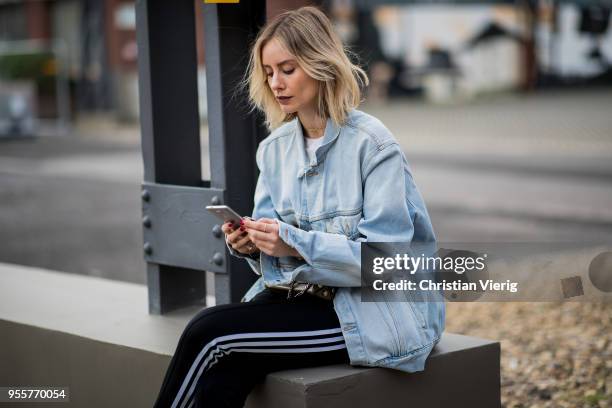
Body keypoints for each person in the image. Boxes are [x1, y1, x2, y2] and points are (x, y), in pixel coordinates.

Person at [153, 6, 444, 408]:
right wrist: (253, 245)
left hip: (371, 313)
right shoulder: (273, 151)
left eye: (288, 69)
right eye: (269, 72)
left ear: (320, 65)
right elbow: (278, 256)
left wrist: (293, 243)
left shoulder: (373, 145)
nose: (276, 83)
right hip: (299, 299)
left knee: (211, 331)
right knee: (224, 370)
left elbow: (385, 263)